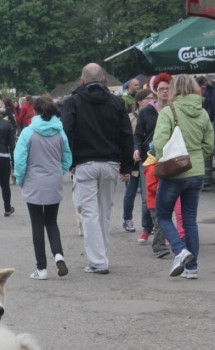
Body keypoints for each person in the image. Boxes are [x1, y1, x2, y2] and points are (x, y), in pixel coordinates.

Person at [62, 63, 134, 274]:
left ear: (82, 80)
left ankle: (98, 261)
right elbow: (126, 135)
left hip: (85, 164)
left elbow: (68, 133)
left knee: (90, 214)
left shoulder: (72, 102)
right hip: (111, 163)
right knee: (105, 212)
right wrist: (127, 166)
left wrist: (70, 162)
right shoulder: (117, 102)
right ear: (104, 79)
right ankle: (101, 254)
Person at [153, 74, 214, 279]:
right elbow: (209, 144)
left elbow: (160, 143)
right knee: (189, 219)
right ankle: (192, 268)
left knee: (162, 215)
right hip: (196, 171)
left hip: (174, 172)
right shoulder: (202, 112)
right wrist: (196, 157)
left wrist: (164, 159)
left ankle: (180, 251)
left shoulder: (168, 111)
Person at [13, 96, 72, 280]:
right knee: (52, 222)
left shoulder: (28, 132)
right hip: (53, 181)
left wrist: (20, 179)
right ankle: (58, 254)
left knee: (37, 224)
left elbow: (20, 160)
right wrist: (58, 171)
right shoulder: (60, 132)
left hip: (34, 182)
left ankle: (41, 268)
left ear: (35, 111)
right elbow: (67, 158)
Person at [134, 73, 171, 243]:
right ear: (155, 90)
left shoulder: (173, 110)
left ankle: (162, 233)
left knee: (165, 195)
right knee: (147, 196)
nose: (164, 91)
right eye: (161, 89)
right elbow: (138, 134)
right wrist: (136, 149)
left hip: (168, 158)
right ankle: (147, 228)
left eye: (167, 88)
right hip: (148, 158)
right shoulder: (146, 111)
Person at [122, 89, 152, 233]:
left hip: (149, 159)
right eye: (148, 98)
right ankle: (127, 219)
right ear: (139, 101)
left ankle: (148, 224)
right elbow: (127, 139)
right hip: (133, 160)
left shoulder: (154, 115)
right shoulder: (130, 117)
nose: (151, 100)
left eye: (153, 98)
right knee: (131, 191)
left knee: (148, 193)